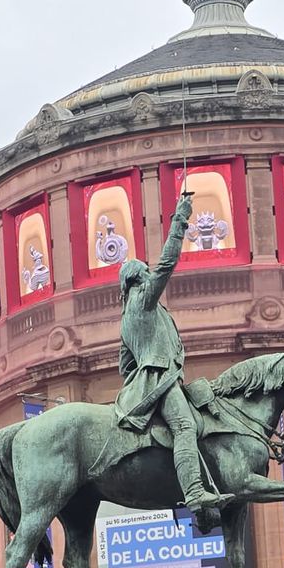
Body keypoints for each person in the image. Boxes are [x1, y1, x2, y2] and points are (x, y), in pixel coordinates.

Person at [96, 189, 229, 513]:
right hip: (160, 380)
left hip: (152, 381)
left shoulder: (127, 319)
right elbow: (167, 264)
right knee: (185, 427)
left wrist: (139, 382)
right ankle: (194, 493)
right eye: (145, 270)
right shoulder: (143, 300)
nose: (149, 273)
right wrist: (180, 219)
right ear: (138, 277)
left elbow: (125, 367)